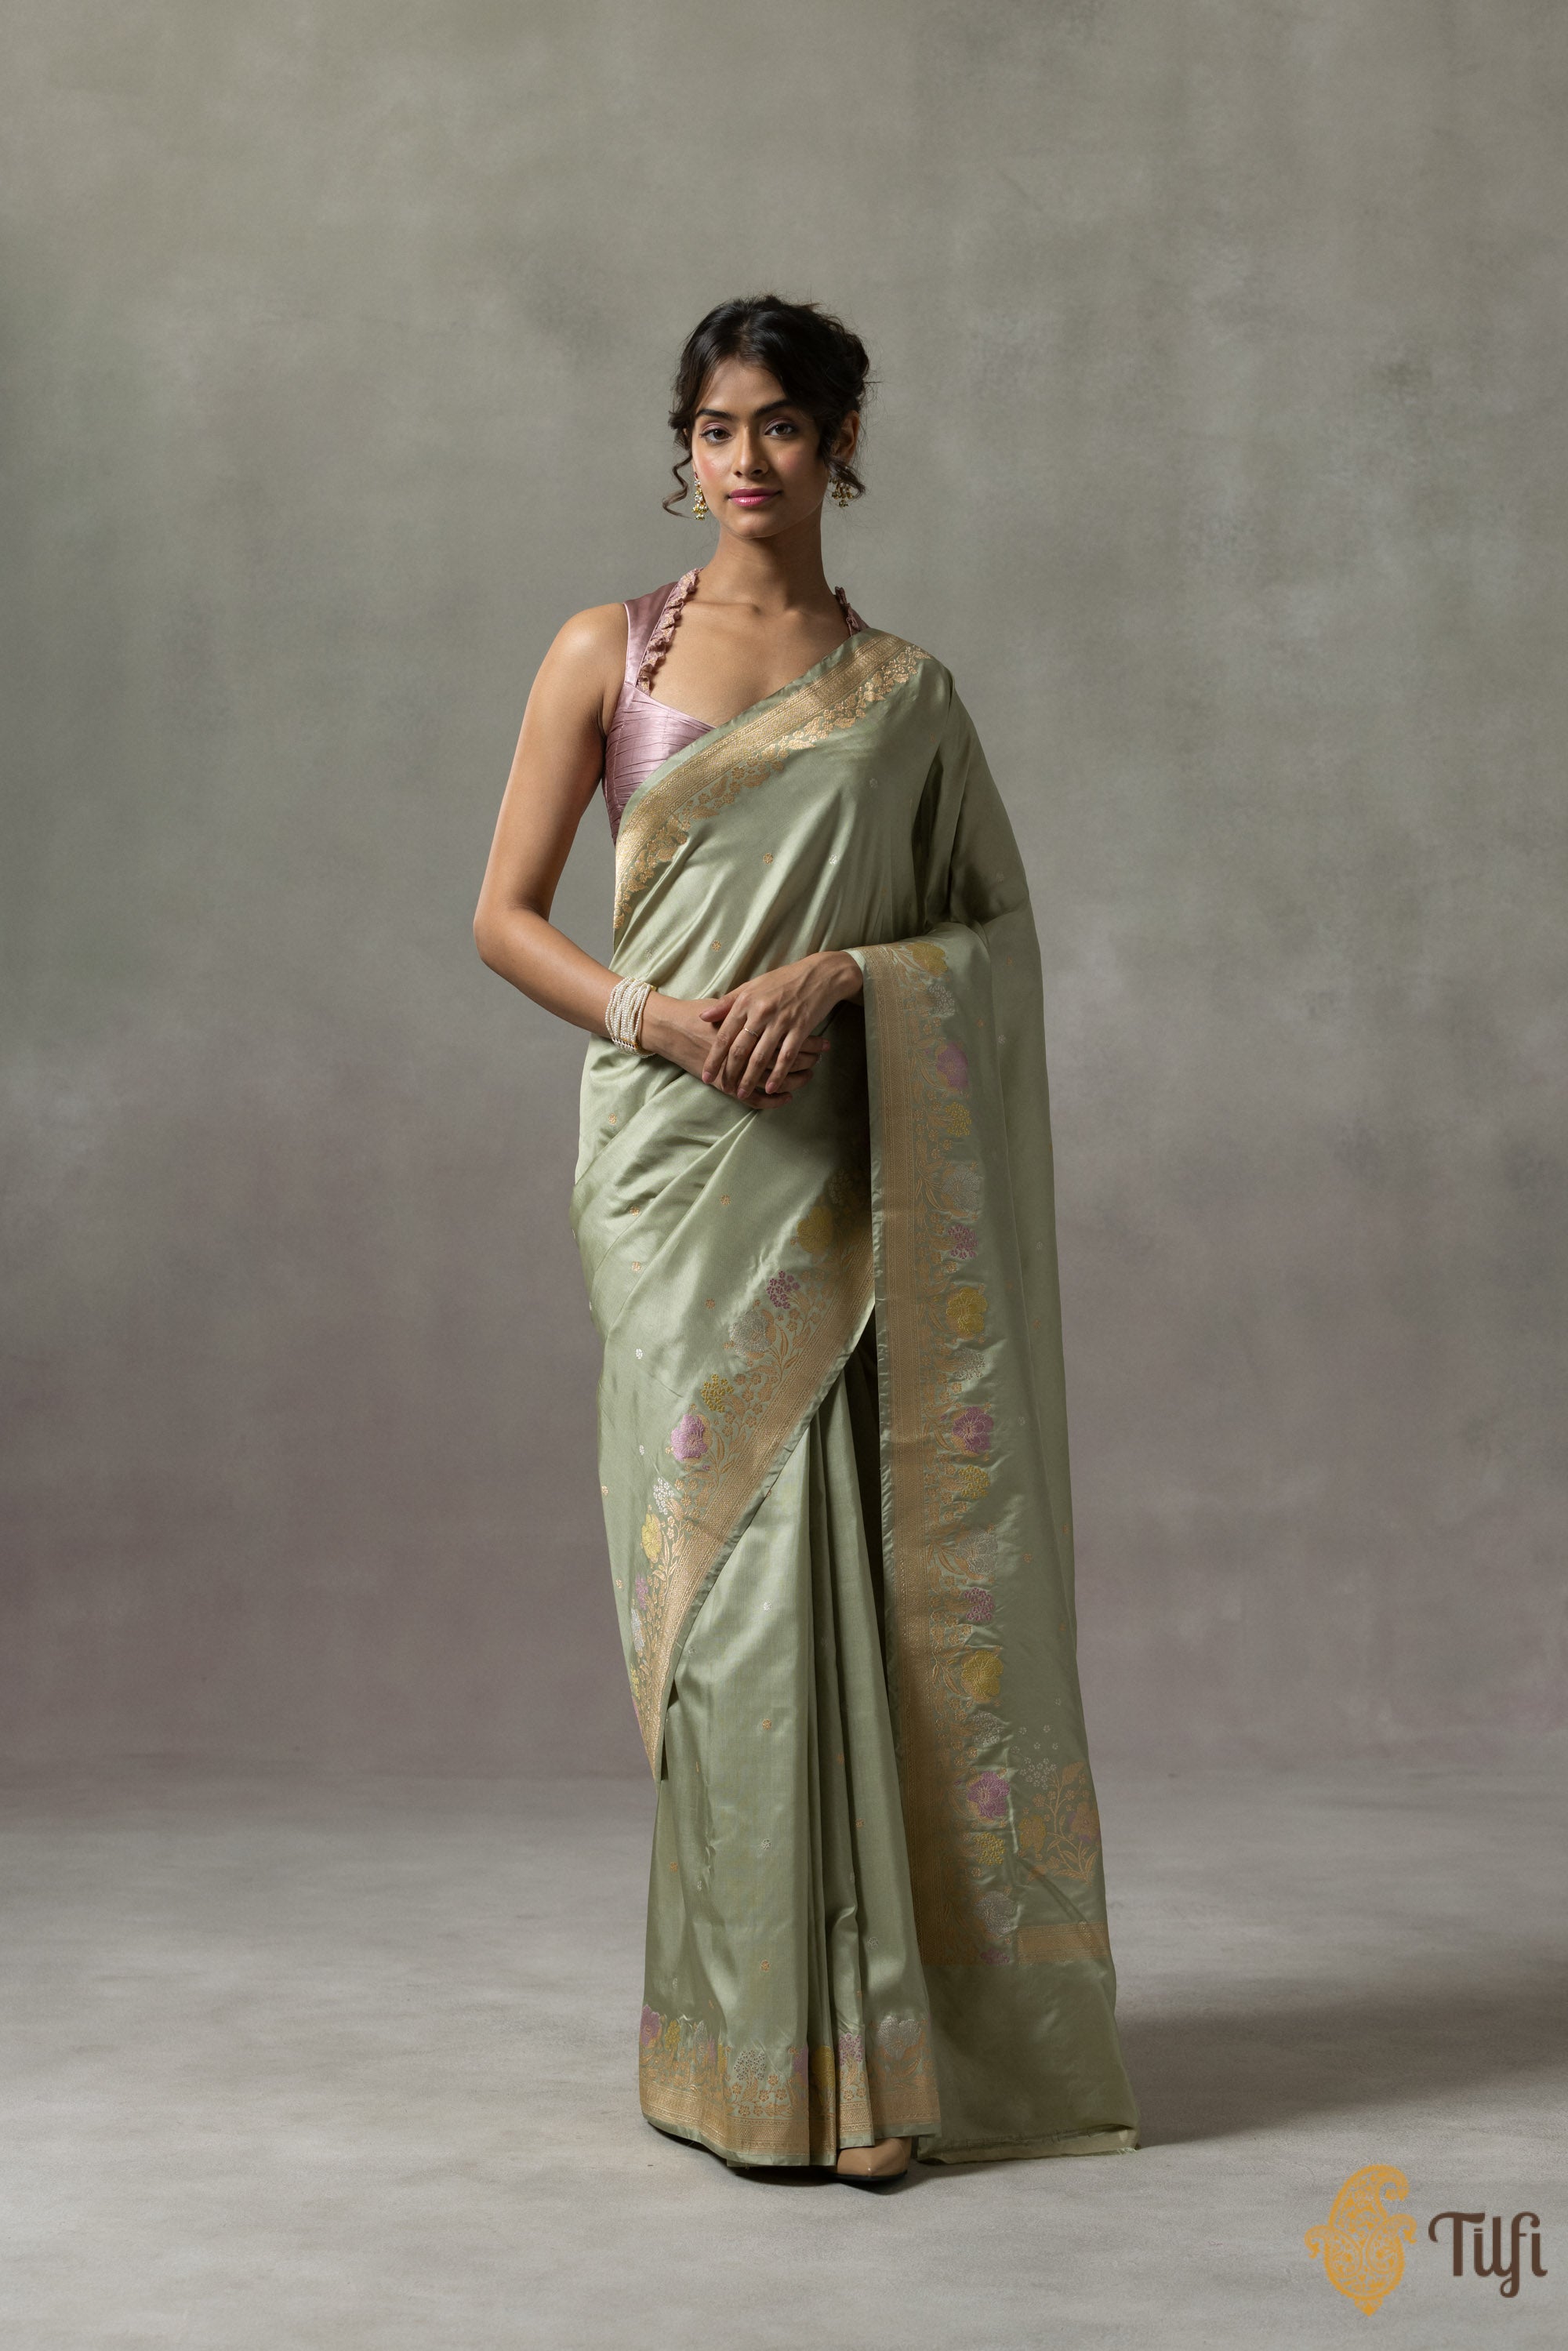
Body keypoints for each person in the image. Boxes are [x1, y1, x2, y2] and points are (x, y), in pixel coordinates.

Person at [474, 294, 1140, 2185]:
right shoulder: (604, 651)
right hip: (674, 1169)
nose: (744, 459)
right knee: (729, 1611)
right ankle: (751, 2057)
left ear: (843, 442)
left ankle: (866, 2069)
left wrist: (852, 976)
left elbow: (993, 940)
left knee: (846, 1588)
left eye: (780, 425)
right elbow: (504, 916)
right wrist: (656, 1022)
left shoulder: (903, 697)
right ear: (681, 446)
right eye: (714, 426)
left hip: (850, 1175)